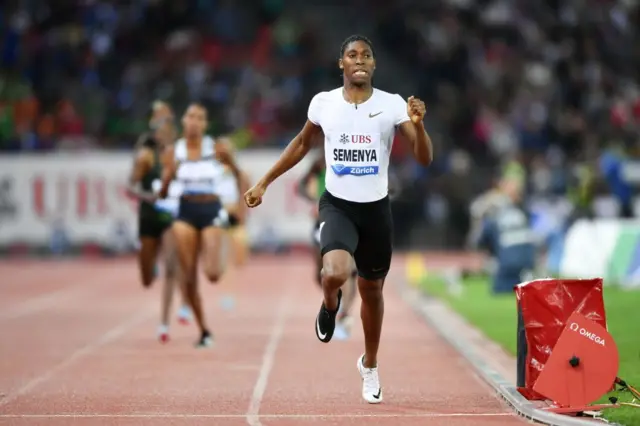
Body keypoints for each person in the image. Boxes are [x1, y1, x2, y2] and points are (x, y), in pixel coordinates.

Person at [244, 35, 433, 403]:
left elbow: (424, 157)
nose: (359, 60)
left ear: (374, 64)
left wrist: (419, 125)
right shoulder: (324, 103)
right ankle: (330, 303)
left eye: (366, 54)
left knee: (371, 291)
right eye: (352, 55)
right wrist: (264, 181)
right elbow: (301, 144)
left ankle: (370, 364)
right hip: (337, 205)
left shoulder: (393, 105)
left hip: (376, 209)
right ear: (341, 64)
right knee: (334, 272)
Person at [158, 103, 241, 348]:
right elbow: (163, 192)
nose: (194, 121)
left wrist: (232, 167)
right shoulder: (174, 152)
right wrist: (167, 179)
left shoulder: (216, 148)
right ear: (183, 121)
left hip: (211, 208)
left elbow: (238, 176)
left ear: (205, 124)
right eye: (190, 116)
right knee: (188, 276)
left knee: (213, 274)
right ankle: (204, 330)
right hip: (185, 211)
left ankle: (216, 252)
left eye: (199, 118)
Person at [126, 101, 192, 337]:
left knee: (173, 265)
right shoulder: (145, 156)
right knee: (146, 278)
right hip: (148, 217)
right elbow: (129, 187)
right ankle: (148, 260)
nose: (166, 135)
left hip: (170, 217)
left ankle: (165, 322)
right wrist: (149, 196)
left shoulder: (179, 157)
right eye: (161, 129)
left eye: (169, 130)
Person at [298, 154, 357, 340]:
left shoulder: (356, 159)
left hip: (349, 220)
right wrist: (312, 198)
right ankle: (334, 299)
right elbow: (301, 185)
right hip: (322, 222)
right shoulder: (320, 163)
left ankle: (345, 315)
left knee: (348, 272)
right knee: (322, 273)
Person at [474, 177, 536, 294]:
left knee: (499, 290)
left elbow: (483, 238)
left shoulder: (496, 210)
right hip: (526, 263)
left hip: (508, 263)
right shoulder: (524, 212)